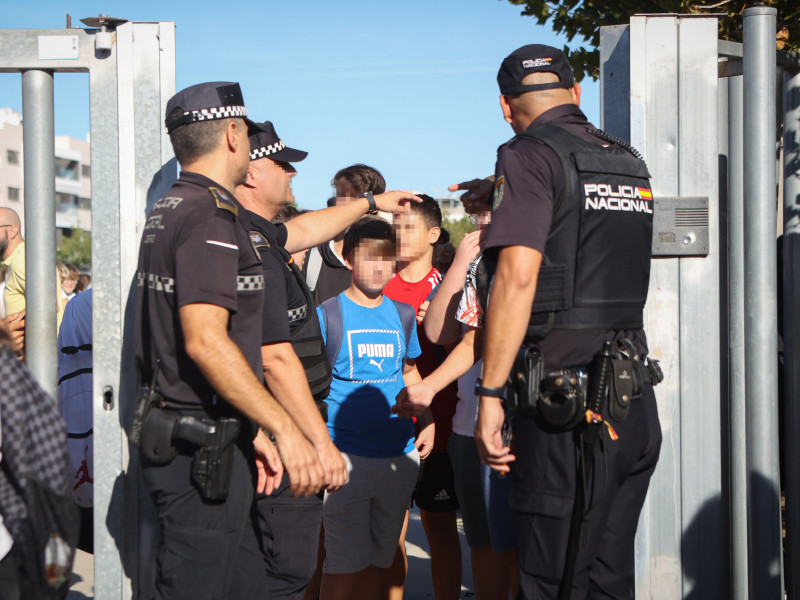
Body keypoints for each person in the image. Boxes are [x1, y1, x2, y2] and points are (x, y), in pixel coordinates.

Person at [472, 45, 662, 599]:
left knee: (554, 583)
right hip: (631, 406)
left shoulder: (526, 155)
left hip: (565, 414)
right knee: (608, 579)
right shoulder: (627, 158)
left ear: (506, 108)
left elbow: (517, 278)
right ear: (577, 94)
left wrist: (488, 395)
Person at [133, 81, 324, 600]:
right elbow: (205, 342)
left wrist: (253, 431)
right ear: (235, 134)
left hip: (208, 438)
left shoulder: (177, 205)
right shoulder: (209, 215)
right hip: (200, 453)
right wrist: (284, 429)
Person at [234, 120, 419, 600]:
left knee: (307, 566)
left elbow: (310, 227)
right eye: (283, 164)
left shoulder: (264, 234)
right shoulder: (236, 237)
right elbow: (272, 358)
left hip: (318, 440)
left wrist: (375, 202)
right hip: (285, 438)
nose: (293, 174)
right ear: (254, 172)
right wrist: (317, 441)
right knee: (289, 569)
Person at [397, 211, 519, 599]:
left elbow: (468, 342)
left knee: (515, 545)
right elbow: (447, 333)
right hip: (463, 427)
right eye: (477, 211)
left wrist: (428, 390)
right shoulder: (476, 265)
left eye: (489, 207)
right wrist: (467, 258)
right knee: (482, 543)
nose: (481, 218)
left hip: (505, 426)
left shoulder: (530, 258)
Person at [316, 216, 434, 600]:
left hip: (397, 455)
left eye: (387, 258)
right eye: (369, 258)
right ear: (349, 259)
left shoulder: (401, 315)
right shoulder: (328, 315)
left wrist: (427, 420)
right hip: (345, 458)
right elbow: (307, 386)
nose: (379, 267)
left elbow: (410, 372)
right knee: (341, 565)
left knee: (378, 562)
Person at [383, 195, 461, 600]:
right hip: (388, 431)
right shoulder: (377, 283)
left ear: (433, 234)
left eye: (408, 227)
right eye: (395, 226)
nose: (398, 233)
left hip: (441, 430)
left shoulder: (449, 287)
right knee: (389, 536)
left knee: (440, 530)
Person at [303, 164, 386, 304]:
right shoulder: (312, 255)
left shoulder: (388, 260)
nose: (346, 204)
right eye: (341, 195)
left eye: (356, 197)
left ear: (374, 205)